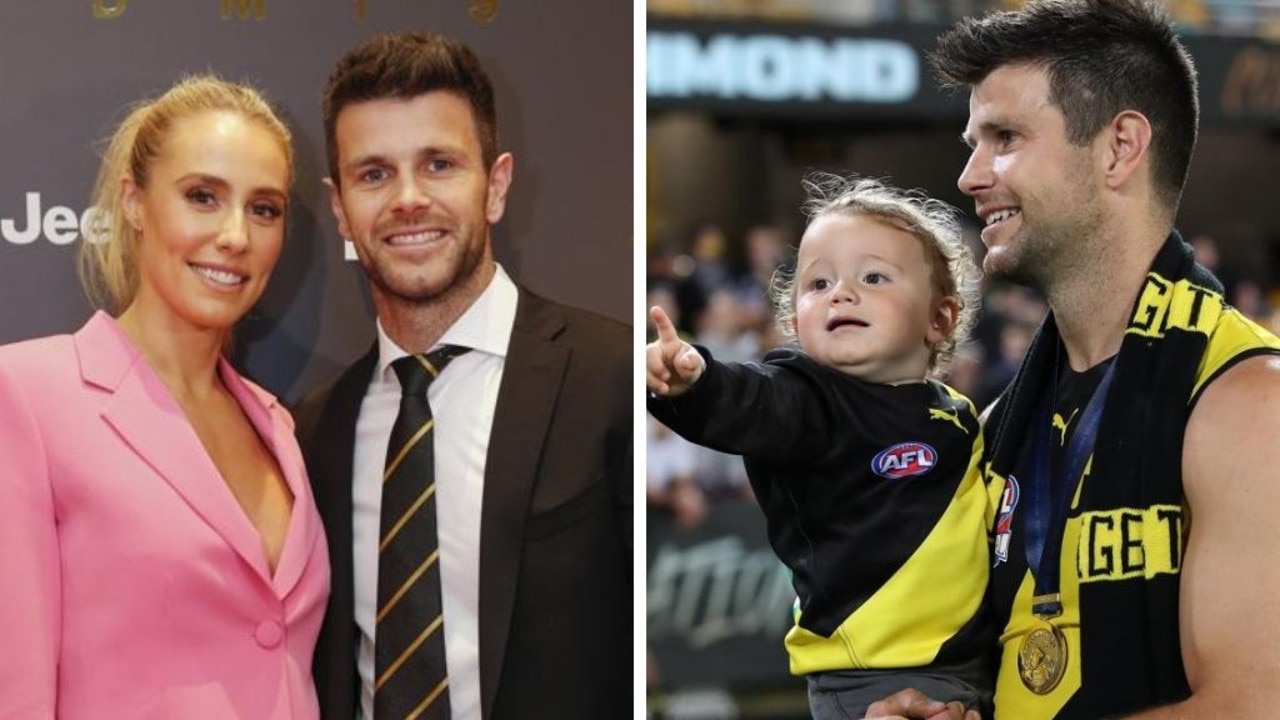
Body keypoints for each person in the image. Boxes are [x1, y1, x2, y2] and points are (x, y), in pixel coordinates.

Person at [868, 0, 1280, 717]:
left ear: (1120, 147)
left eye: (1004, 137)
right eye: (974, 141)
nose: (969, 175)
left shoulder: (1247, 404)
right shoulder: (1004, 423)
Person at [294, 32, 631, 720]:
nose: (409, 199)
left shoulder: (611, 376)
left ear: (496, 186)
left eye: (439, 164)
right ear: (339, 209)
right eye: (374, 174)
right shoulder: (313, 430)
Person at [0, 76, 329, 718]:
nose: (236, 235)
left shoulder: (276, 425)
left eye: (264, 209)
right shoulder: (27, 395)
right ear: (134, 203)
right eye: (203, 196)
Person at [647, 174, 991, 719]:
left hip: (976, 669)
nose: (842, 293)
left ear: (940, 318)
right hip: (869, 681)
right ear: (794, 321)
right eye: (818, 284)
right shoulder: (806, 397)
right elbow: (748, 400)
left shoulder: (960, 413)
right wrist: (694, 383)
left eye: (874, 276)